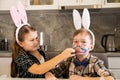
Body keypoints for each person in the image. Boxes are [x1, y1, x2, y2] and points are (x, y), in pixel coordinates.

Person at [45, 9, 115, 80]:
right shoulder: (68, 61)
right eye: (75, 41)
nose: (78, 44)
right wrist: (50, 76)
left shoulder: (95, 63)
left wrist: (83, 79)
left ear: (91, 46)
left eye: (83, 42)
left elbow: (110, 78)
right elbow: (50, 73)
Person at [10, 2, 75, 78]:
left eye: (36, 38)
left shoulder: (40, 51)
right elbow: (38, 70)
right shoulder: (20, 56)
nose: (36, 42)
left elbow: (46, 68)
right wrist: (62, 56)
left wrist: (48, 73)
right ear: (21, 43)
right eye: (31, 40)